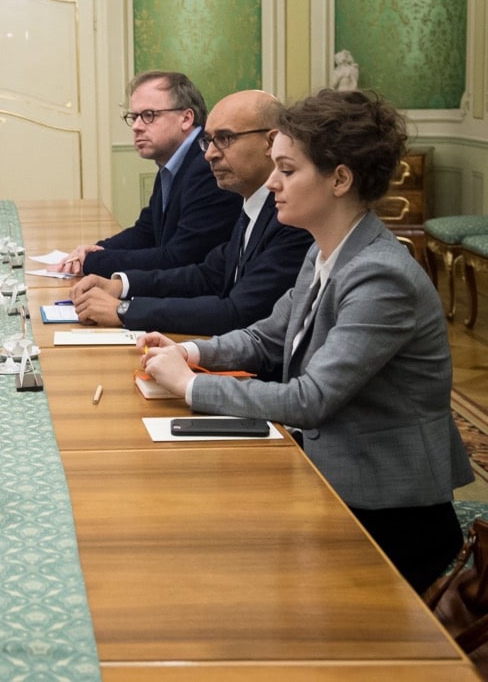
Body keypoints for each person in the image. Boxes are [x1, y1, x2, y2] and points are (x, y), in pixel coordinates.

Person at [139, 89, 472, 592]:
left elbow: (310, 399)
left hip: (389, 513)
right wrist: (192, 351)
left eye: (288, 170)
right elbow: (268, 336)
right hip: (332, 477)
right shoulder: (326, 250)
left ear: (340, 179)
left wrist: (190, 386)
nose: (272, 183)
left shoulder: (381, 275)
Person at [69, 90, 313, 344]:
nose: (210, 154)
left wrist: (124, 310)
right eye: (208, 140)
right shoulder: (253, 204)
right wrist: (121, 286)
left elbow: (238, 313)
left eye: (225, 138)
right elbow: (207, 275)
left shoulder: (292, 217)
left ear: (270, 143)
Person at [53, 71, 241, 277]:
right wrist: (96, 249)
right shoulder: (174, 160)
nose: (136, 127)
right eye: (134, 117)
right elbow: (147, 231)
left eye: (148, 116)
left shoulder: (207, 166)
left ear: (186, 118)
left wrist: (94, 261)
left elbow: (180, 258)